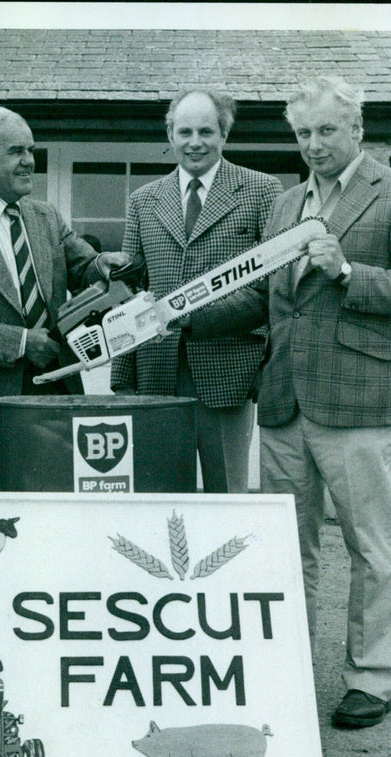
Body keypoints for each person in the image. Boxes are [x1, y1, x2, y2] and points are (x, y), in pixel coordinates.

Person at [182, 76, 391, 727]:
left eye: (326, 131)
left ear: (355, 128)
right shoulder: (285, 203)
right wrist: (180, 314)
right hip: (284, 404)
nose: (314, 144)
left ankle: (372, 678)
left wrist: (347, 271)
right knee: (285, 548)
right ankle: (286, 663)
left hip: (363, 402)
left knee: (372, 547)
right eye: (303, 133)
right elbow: (265, 298)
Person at [0, 107, 128, 491]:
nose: (30, 161)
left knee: (50, 520)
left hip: (55, 396)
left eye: (31, 150)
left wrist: (104, 264)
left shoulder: (45, 217)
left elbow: (83, 265)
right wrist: (20, 342)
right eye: (16, 151)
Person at [110, 88, 282, 493]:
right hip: (155, 374)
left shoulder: (261, 191)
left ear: (224, 135)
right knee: (160, 495)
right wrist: (122, 377)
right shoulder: (144, 200)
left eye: (206, 131)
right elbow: (130, 292)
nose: (195, 142)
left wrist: (266, 368)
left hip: (230, 371)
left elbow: (271, 287)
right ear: (170, 135)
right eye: (184, 131)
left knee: (227, 499)